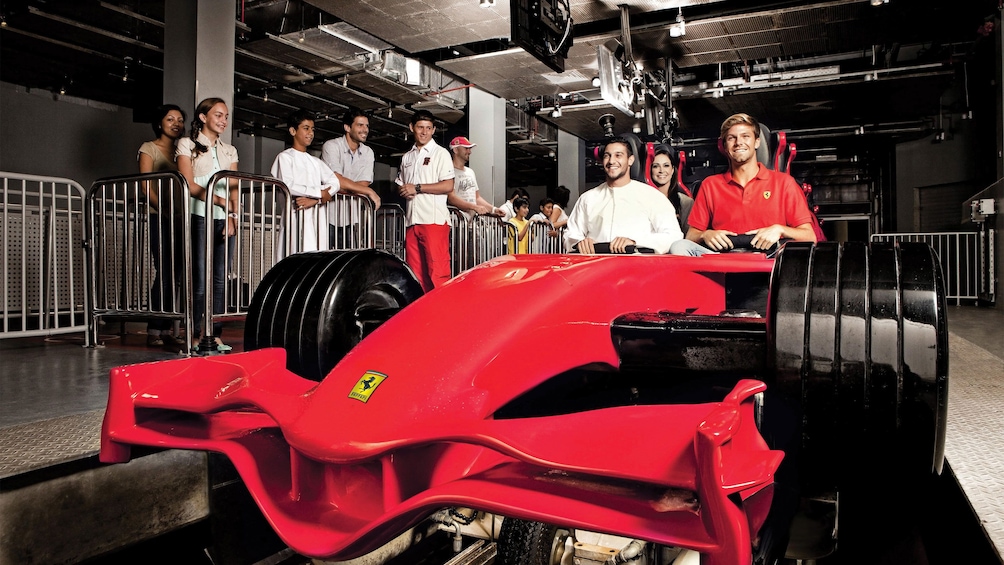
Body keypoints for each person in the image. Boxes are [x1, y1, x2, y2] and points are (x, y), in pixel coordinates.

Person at [670, 113, 817, 256]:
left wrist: (780, 230)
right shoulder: (710, 185)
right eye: (731, 138)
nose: (738, 142)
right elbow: (691, 236)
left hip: (769, 258)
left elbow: (809, 236)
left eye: (745, 136)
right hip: (723, 261)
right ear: (724, 146)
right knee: (679, 246)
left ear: (757, 142)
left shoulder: (784, 183)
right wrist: (705, 235)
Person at [177, 97, 239, 352]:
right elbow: (188, 184)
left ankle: (214, 334)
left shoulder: (230, 150)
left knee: (220, 280)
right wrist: (220, 201)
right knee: (200, 279)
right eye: (218, 115)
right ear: (203, 117)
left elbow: (235, 187)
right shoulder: (186, 144)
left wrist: (232, 216)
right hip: (199, 215)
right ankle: (194, 335)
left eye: (225, 116)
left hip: (224, 218)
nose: (223, 120)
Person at [564, 137, 683, 254]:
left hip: (638, 268)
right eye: (607, 156)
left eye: (618, 155)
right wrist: (579, 242)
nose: (611, 161)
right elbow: (571, 234)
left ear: (630, 160)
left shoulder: (652, 196)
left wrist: (636, 242)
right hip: (597, 267)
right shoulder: (588, 198)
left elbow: (673, 236)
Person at [138, 104, 186, 348]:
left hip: (182, 218)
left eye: (179, 119)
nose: (176, 123)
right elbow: (146, 186)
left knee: (177, 273)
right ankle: (155, 328)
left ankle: (168, 329)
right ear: (160, 123)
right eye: (170, 119)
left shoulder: (184, 151)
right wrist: (165, 209)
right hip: (161, 217)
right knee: (164, 271)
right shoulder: (149, 148)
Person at [395, 110, 455, 292]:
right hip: (412, 221)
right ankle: (422, 317)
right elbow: (401, 184)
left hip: (433, 221)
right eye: (420, 127)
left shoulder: (441, 153)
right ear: (411, 127)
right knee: (415, 275)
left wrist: (417, 187)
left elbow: (448, 185)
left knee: (438, 273)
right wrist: (404, 190)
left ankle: (443, 315)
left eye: (428, 128)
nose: (424, 132)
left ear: (434, 129)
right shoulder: (407, 157)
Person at [271, 109, 340, 252]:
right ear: (293, 131)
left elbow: (335, 182)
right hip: (295, 216)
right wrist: (320, 193)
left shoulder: (315, 161)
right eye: (306, 128)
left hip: (317, 217)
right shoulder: (284, 157)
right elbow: (288, 186)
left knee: (316, 256)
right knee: (294, 254)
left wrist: (316, 200)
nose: (311, 133)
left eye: (312, 129)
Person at [321, 107, 381, 249]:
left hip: (350, 218)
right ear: (347, 127)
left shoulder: (368, 152)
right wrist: (369, 192)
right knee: (325, 262)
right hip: (326, 216)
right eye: (360, 125)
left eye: (367, 126)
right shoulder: (331, 146)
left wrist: (343, 185)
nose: (365, 129)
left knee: (347, 263)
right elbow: (335, 180)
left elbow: (363, 183)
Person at [446, 136, 501, 220]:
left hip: (471, 222)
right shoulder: (447, 171)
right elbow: (451, 198)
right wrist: (474, 207)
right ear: (455, 150)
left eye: (470, 148)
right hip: (456, 222)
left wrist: (493, 209)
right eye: (466, 148)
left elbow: (477, 198)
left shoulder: (470, 172)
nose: (469, 151)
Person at [650, 144, 694, 234]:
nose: (661, 170)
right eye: (655, 166)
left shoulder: (686, 202)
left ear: (672, 169)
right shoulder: (644, 200)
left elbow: (689, 236)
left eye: (666, 165)